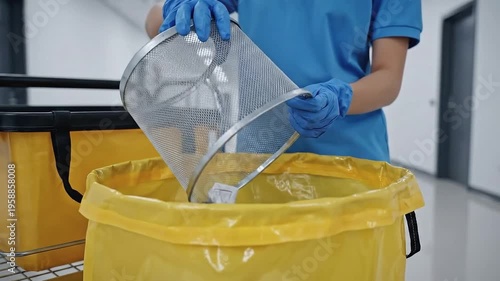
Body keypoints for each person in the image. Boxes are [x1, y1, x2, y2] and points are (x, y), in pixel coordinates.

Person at [145, 0, 422, 163]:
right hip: (261, 158)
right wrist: (179, 5)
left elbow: (388, 78)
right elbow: (154, 23)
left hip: (350, 158)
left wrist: (339, 99)